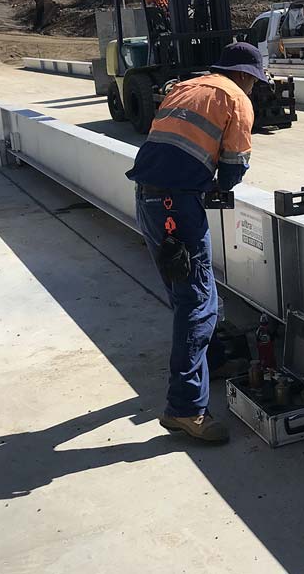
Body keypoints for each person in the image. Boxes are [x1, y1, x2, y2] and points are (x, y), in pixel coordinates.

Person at [126, 42, 265, 443]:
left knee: (186, 294)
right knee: (198, 303)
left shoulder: (185, 87)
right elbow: (235, 163)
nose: (253, 89)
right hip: (176, 205)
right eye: (254, 82)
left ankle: (212, 360)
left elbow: (171, 145)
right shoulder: (236, 98)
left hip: (149, 200)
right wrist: (222, 186)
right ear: (245, 76)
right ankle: (186, 409)